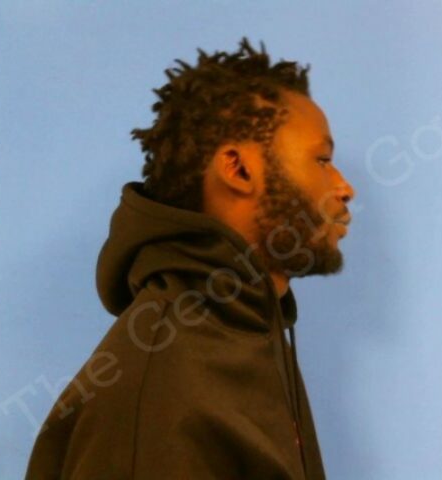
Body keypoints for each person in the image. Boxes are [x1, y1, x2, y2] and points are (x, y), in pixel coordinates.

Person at [25, 37, 355, 479]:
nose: (344, 187)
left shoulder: (243, 328)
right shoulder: (161, 386)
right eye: (322, 159)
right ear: (238, 169)